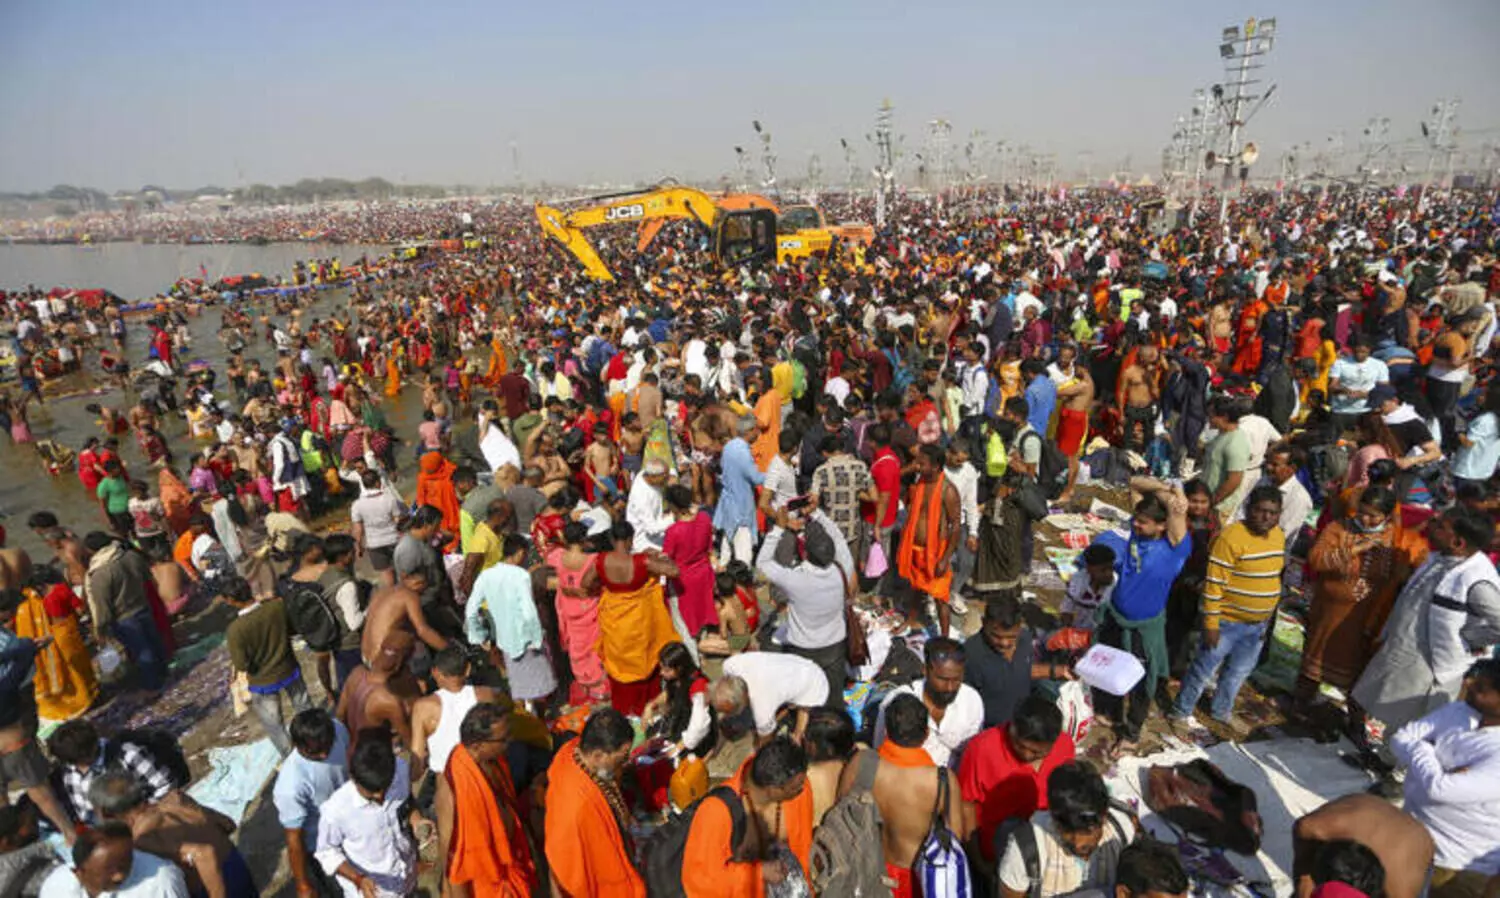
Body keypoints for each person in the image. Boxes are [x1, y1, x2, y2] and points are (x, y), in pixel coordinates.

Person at [1353, 506, 1500, 733]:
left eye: (1441, 527)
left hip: (1430, 664)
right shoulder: (1440, 558)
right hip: (1405, 649)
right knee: (1387, 709)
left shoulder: (1476, 582)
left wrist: (1469, 638)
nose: (1431, 525)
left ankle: (1393, 762)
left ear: (1458, 543)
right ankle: (1383, 754)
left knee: (1413, 723)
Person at [1298, 487, 1428, 721]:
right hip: (1330, 612)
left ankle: (1355, 720)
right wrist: (1356, 548)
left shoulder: (1397, 539)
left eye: (1373, 516)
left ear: (1387, 516)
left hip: (1367, 619)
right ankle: (1301, 703)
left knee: (1360, 671)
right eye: (1362, 513)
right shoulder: (1339, 528)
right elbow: (1316, 560)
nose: (1365, 519)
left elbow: (1410, 569)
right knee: (1315, 660)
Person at [1170, 484, 1286, 733]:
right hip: (1226, 622)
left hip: (1257, 626)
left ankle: (1221, 710)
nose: (1266, 517)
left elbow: (1273, 576)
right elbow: (1214, 586)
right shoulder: (1231, 538)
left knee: (1238, 673)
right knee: (1202, 671)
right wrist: (1211, 625)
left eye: (1273, 513)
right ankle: (1181, 712)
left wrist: (1265, 618)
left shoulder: (1278, 536)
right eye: (1260, 511)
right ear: (1248, 509)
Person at [1088, 487, 1190, 753]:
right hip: (1116, 616)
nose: (1135, 524)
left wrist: (1174, 499)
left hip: (1143, 628)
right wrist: (1164, 489)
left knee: (1142, 682)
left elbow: (1178, 521)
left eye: (1143, 521)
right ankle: (1109, 711)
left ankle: (1131, 733)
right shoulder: (1136, 535)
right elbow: (1135, 483)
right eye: (1136, 519)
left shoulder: (1174, 550)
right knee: (1109, 664)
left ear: (1161, 525)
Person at [1389, 659, 1500, 898]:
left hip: (1455, 864)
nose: (1468, 684)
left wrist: (1423, 749)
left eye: (1481, 688)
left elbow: (1439, 789)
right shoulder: (1459, 711)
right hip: (1407, 834)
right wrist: (1430, 757)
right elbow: (1400, 738)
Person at [845, 692, 967, 898]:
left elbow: (842, 814)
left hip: (869, 873)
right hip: (918, 880)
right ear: (926, 734)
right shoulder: (941, 781)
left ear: (886, 731)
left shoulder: (861, 762)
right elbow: (955, 839)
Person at [682, 737, 813, 898]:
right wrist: (758, 873)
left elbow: (804, 851)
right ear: (774, 790)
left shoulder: (798, 790)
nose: (802, 789)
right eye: (795, 788)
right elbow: (699, 881)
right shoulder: (716, 812)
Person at [88, 772, 254, 898]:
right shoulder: (176, 800)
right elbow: (227, 823)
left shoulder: (144, 839)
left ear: (105, 814)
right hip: (235, 864)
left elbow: (204, 854)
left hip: (212, 885)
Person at [958, 694, 1075, 871]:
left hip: (1047, 854)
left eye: (1036, 753)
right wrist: (979, 864)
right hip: (996, 857)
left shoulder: (1065, 748)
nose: (1027, 755)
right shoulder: (981, 749)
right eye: (1020, 746)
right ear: (1012, 727)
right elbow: (966, 807)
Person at [756, 501, 854, 708]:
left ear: (806, 554)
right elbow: (837, 536)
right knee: (834, 699)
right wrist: (817, 513)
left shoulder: (795, 579)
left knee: (805, 700)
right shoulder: (842, 569)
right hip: (835, 646)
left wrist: (779, 528)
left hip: (802, 648)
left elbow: (762, 563)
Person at [579, 521, 681, 716]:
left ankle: (625, 712)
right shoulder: (641, 561)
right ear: (630, 539)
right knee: (644, 662)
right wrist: (657, 558)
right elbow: (674, 571)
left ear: (611, 539)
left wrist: (605, 585)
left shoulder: (601, 561)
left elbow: (585, 583)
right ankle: (649, 710)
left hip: (614, 619)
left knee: (618, 665)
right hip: (639, 620)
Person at [543, 708, 646, 898]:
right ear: (598, 756)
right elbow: (565, 873)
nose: (624, 763)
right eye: (621, 758)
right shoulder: (576, 808)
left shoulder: (574, 750)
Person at [997, 762, 1138, 898]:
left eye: (1088, 832)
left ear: (1104, 817)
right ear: (1053, 818)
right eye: (1068, 832)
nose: (1078, 843)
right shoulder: (1027, 846)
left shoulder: (1122, 830)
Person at [440, 704, 537, 898]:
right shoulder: (454, 793)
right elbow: (455, 867)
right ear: (478, 745)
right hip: (485, 885)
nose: (510, 742)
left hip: (510, 864)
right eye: (503, 739)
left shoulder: (491, 759)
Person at [314, 733, 416, 898]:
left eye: (386, 788)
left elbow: (407, 801)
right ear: (353, 778)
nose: (380, 797)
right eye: (371, 793)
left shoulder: (401, 770)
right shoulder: (336, 810)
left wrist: (416, 819)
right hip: (375, 892)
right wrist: (358, 879)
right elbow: (326, 853)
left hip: (407, 877)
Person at [464, 533, 555, 705]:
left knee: (518, 687)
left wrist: (479, 635)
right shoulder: (521, 576)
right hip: (526, 639)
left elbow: (471, 611)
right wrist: (537, 639)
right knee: (536, 690)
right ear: (520, 553)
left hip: (504, 640)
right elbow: (529, 611)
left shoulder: (486, 576)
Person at [224, 580, 312, 756]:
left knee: (275, 725)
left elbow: (241, 664)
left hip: (263, 681)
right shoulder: (276, 607)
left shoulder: (235, 630)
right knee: (305, 708)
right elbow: (292, 630)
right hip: (288, 668)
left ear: (230, 601)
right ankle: (315, 738)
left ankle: (290, 756)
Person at [272, 710, 349, 898]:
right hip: (325, 846)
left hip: (353, 823)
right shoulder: (290, 786)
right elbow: (294, 838)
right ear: (296, 745)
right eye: (314, 752)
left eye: (328, 746)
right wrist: (302, 885)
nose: (324, 755)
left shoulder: (338, 729)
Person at [873, 637, 984, 768]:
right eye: (942, 679)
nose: (950, 687)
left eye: (956, 680)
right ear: (925, 670)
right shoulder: (896, 703)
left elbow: (972, 754)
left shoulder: (972, 701)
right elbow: (881, 749)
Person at [1293, 795, 1433, 898]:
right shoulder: (1311, 828)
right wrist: (1303, 889)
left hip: (1416, 839)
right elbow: (1303, 875)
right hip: (1363, 807)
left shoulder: (1401, 890)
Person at [964, 593, 1070, 729]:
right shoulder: (971, 654)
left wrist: (1057, 671)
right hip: (991, 730)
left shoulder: (1025, 639)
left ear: (1019, 626)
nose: (1004, 643)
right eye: (996, 636)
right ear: (984, 623)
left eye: (1011, 637)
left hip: (1022, 725)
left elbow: (1021, 670)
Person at [83, 532, 168, 691]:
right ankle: (164, 673)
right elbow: (147, 577)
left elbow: (102, 606)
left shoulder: (100, 574)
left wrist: (100, 629)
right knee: (154, 641)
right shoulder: (130, 556)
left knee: (141, 652)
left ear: (91, 551)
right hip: (142, 605)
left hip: (124, 617)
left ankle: (153, 686)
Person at [897, 444, 963, 635]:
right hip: (915, 548)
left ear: (935, 467)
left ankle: (944, 637)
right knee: (916, 589)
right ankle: (910, 621)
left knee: (940, 597)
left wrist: (945, 559)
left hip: (936, 552)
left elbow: (956, 526)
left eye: (922, 464)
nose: (917, 466)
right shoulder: (920, 483)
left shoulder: (948, 490)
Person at [9, 579, 96, 721]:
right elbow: (78, 607)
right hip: (60, 633)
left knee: (71, 666)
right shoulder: (43, 596)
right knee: (74, 665)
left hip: (57, 636)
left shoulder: (35, 601)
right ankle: (85, 692)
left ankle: (82, 694)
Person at [38, 822, 189, 898]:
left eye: (125, 863)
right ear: (79, 873)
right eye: (108, 871)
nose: (120, 876)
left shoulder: (161, 880)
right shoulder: (56, 886)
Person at [546, 522, 607, 705]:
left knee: (577, 648)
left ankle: (584, 684)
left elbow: (555, 581)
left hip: (569, 610)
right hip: (589, 609)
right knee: (593, 649)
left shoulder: (557, 557)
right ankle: (598, 689)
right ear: (583, 539)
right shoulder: (593, 560)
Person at [716, 652, 830, 741]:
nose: (725, 715)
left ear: (745, 699)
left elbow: (765, 741)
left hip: (814, 686)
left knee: (798, 736)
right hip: (798, 667)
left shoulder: (762, 708)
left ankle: (793, 723)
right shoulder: (730, 665)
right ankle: (787, 708)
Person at [662, 484, 718, 638]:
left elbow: (667, 560)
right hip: (704, 574)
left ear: (673, 506)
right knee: (702, 612)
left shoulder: (673, 531)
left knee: (684, 624)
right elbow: (709, 547)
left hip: (683, 581)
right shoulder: (704, 518)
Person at [643, 642, 713, 755]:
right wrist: (651, 705)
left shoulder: (698, 686)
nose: (661, 673)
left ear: (679, 668)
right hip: (677, 723)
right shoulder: (676, 678)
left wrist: (677, 749)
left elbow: (699, 726)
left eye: (666, 670)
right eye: (661, 668)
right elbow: (669, 693)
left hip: (692, 738)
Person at [349, 470, 405, 586]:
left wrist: (358, 546)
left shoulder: (357, 505)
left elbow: (358, 529)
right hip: (393, 540)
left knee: (386, 573)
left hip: (374, 544)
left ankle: (392, 598)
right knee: (402, 571)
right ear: (378, 483)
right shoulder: (390, 499)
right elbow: (397, 520)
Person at [1203, 395, 1252, 521]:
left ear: (1224, 417)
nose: (1209, 419)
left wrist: (1213, 501)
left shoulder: (1235, 442)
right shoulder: (1222, 435)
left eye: (1211, 415)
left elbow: (1234, 480)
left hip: (1219, 507)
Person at [1062, 544, 1117, 632]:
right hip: (1079, 630)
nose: (1108, 574)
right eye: (1103, 570)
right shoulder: (1077, 581)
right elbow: (1067, 610)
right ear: (1089, 569)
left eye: (1111, 568)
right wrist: (1068, 632)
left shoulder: (1117, 586)